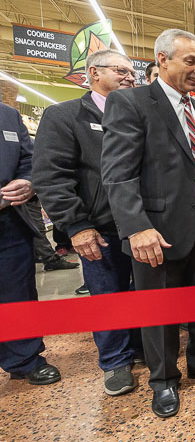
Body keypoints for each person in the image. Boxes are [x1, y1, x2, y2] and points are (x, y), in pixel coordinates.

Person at [100, 28, 195, 418]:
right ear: (162, 60)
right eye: (190, 61)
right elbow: (117, 173)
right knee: (160, 308)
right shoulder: (132, 102)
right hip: (156, 231)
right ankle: (162, 380)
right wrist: (135, 226)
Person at [33, 49, 143, 396]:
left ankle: (141, 348)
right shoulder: (65, 116)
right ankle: (115, 362)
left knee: (142, 295)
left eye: (132, 73)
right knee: (107, 297)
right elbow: (51, 177)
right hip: (99, 228)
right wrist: (78, 226)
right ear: (93, 72)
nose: (129, 77)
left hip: (141, 226)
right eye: (120, 71)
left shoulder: (139, 115)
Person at [1, 101, 61, 386]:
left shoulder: (8, 115)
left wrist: (28, 180)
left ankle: (24, 359)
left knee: (17, 291)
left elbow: (29, 159)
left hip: (9, 220)